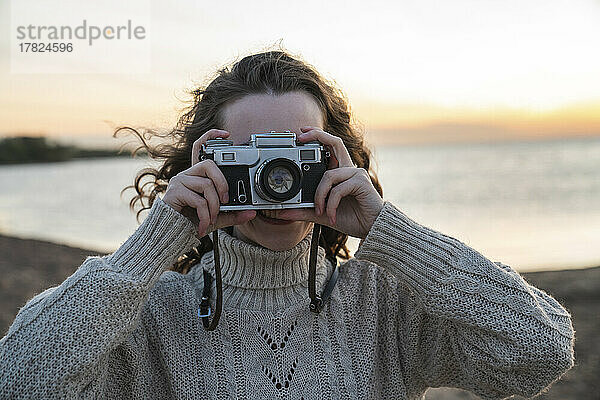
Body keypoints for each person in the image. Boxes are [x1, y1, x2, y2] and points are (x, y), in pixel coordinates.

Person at [0, 50, 574, 399]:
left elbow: (541, 350)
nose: (277, 179)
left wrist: (390, 232)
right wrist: (154, 244)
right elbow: (22, 381)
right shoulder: (152, 313)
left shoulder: (382, 303)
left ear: (337, 158)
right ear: (206, 165)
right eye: (252, 159)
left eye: (297, 156)